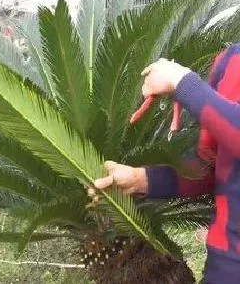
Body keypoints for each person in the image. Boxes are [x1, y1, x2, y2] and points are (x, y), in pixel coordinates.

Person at [94, 43, 240, 284]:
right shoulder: (231, 61)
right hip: (225, 269)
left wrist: (183, 83)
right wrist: (143, 179)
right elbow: (212, 167)